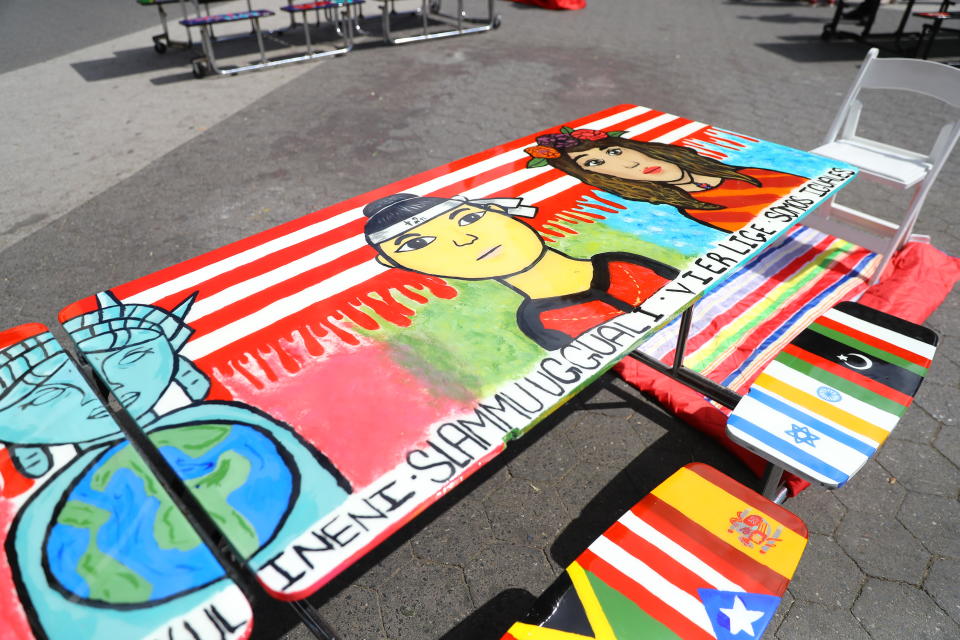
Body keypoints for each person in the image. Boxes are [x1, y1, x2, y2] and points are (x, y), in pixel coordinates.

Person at [364, 193, 679, 350]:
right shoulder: (540, 321)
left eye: (468, 219)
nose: (464, 239)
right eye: (418, 243)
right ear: (396, 265)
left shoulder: (622, 263)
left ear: (497, 211)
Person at [524, 128, 807, 233]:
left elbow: (803, 191)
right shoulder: (695, 208)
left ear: (639, 148)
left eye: (615, 151)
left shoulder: (752, 176)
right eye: (596, 163)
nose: (628, 163)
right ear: (600, 177)